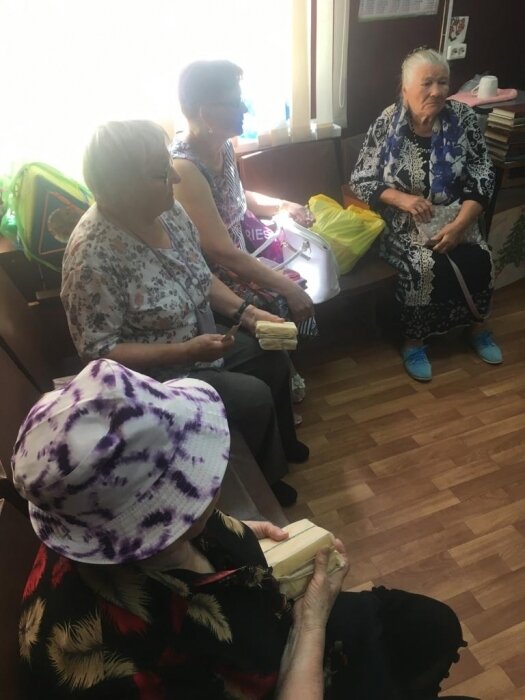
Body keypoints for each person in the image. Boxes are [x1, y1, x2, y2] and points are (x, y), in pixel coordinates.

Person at [14, 359, 475, 699]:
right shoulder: (114, 669)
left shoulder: (84, 510)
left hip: (261, 619)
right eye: (193, 478)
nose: (211, 477)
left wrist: (236, 533)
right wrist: (310, 622)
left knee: (430, 625)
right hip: (282, 668)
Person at [60, 119, 308, 506]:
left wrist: (248, 314)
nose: (175, 178)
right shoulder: (91, 256)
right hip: (155, 376)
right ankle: (266, 479)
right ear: (123, 187)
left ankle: (281, 448)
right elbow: (97, 351)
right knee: (252, 397)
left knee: (272, 356)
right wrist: (186, 351)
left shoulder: (169, 212)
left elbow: (200, 276)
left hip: (200, 341)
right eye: (162, 173)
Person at [350, 47, 502, 382]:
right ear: (405, 88)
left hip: (457, 216)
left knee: (480, 257)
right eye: (427, 83)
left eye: (443, 82)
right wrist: (402, 199)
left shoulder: (463, 118)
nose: (436, 91)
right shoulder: (387, 122)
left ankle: (478, 327)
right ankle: (414, 341)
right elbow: (361, 179)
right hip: (402, 223)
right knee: (423, 265)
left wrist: (461, 224)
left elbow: (482, 174)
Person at [171, 59, 316, 402]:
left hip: (240, 254)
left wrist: (281, 205)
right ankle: (277, 381)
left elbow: (235, 196)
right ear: (207, 113)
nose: (245, 109)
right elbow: (220, 252)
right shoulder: (184, 169)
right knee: (281, 296)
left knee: (295, 278)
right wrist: (284, 286)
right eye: (236, 102)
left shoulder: (222, 144)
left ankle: (282, 372)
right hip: (213, 274)